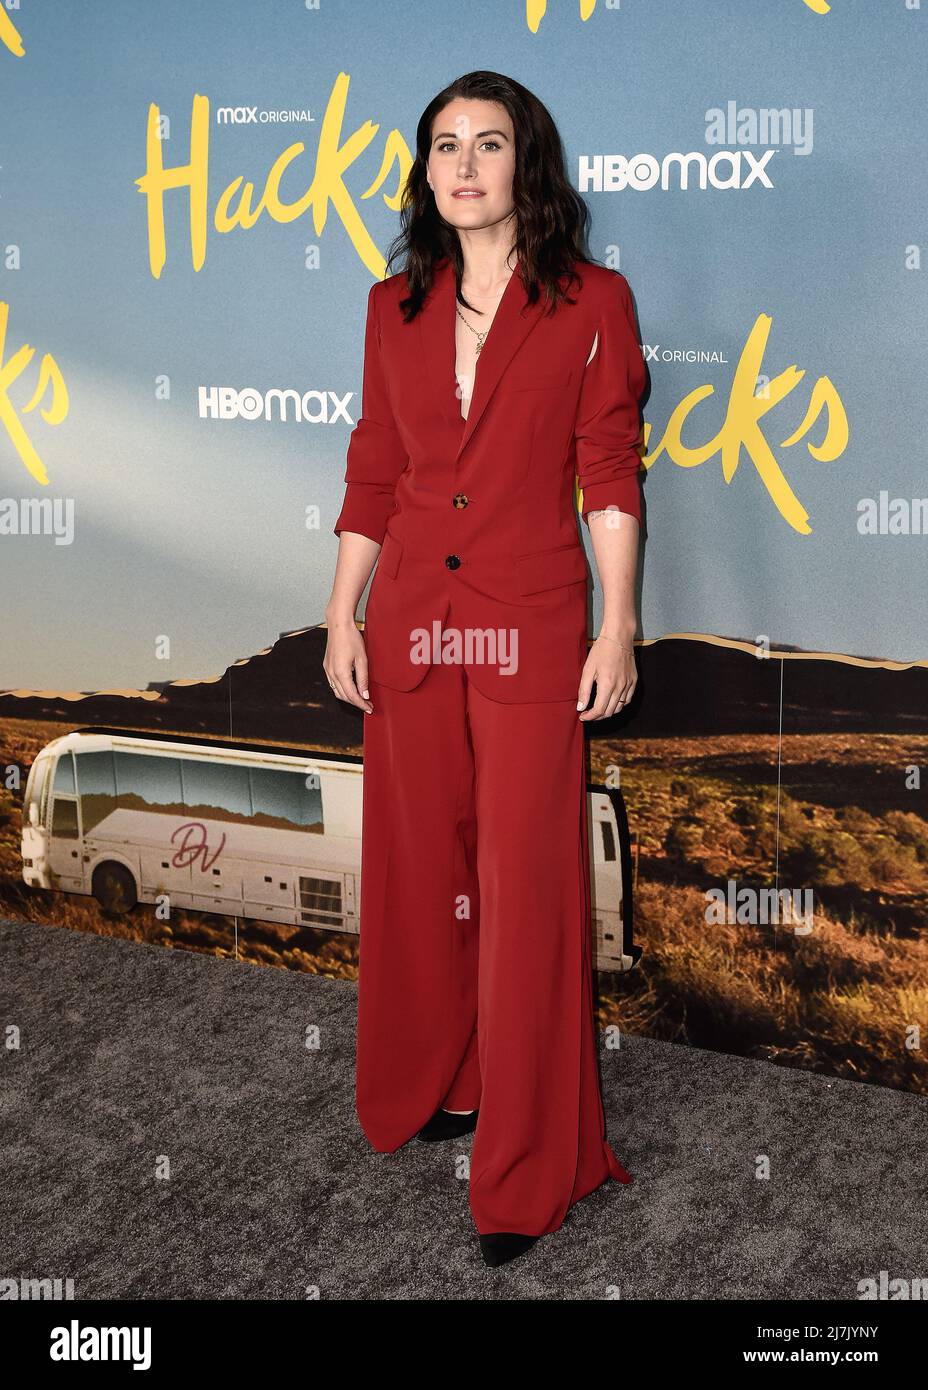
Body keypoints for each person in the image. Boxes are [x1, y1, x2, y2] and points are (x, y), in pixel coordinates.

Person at [324, 70, 646, 1269]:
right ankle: (441, 1078)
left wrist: (617, 627)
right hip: (410, 618)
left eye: (489, 144)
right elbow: (373, 468)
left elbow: (608, 475)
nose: (463, 166)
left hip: (528, 628)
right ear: (426, 172)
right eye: (443, 146)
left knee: (524, 891)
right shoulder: (390, 304)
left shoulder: (592, 301)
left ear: (529, 164)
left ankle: (529, 1167)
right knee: (422, 868)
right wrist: (340, 611)